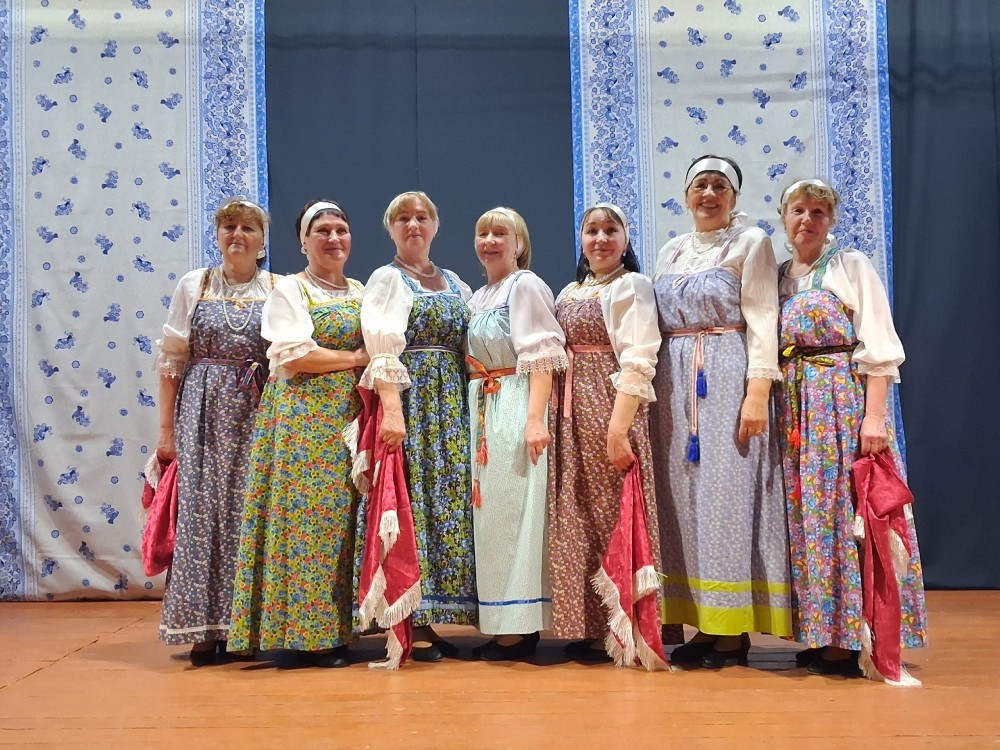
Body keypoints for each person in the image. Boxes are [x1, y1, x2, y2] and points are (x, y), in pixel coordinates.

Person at [774, 179, 928, 676]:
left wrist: (874, 418)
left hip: (839, 403)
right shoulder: (780, 277)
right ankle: (824, 631)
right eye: (799, 210)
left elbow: (879, 346)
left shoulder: (849, 266)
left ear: (831, 220)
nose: (807, 220)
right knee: (809, 518)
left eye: (818, 212)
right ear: (784, 218)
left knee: (844, 513)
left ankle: (851, 637)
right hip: (795, 409)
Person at [650, 155, 792, 669]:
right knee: (682, 501)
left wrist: (757, 392)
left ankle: (731, 632)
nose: (708, 194)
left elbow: (763, 316)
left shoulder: (751, 242)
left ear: (733, 197)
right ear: (686, 195)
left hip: (727, 374)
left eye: (719, 186)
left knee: (725, 497)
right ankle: (702, 623)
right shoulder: (671, 251)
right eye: (700, 186)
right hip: (674, 382)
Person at [227, 200, 368, 668]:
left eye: (340, 229)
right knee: (308, 522)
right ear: (304, 242)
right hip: (303, 418)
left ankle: (339, 627)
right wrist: (355, 358)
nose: (333, 238)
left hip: (348, 416)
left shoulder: (360, 290)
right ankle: (308, 634)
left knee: (343, 523)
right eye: (322, 230)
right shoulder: (292, 288)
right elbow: (295, 355)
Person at [154, 199, 278, 666]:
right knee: (202, 513)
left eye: (248, 227)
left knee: (249, 511)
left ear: (263, 241)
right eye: (229, 226)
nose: (238, 234)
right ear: (218, 235)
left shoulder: (279, 288)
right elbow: (172, 361)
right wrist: (165, 431)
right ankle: (202, 627)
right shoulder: (195, 284)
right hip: (203, 412)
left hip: (257, 409)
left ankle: (246, 625)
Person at [359, 191, 475, 661]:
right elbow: (381, 348)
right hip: (413, 402)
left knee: (444, 502)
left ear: (435, 226)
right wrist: (392, 408)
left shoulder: (455, 283)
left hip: (451, 405)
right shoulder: (388, 279)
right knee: (411, 501)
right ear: (390, 229)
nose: (413, 225)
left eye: (421, 217)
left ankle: (430, 613)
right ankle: (409, 618)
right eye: (403, 218)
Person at [547, 203, 661, 661]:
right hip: (571, 411)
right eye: (591, 230)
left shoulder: (631, 285)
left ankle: (625, 624)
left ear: (625, 240)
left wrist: (619, 426)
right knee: (580, 513)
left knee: (614, 508)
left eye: (610, 230)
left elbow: (639, 356)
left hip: (608, 402)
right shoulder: (571, 290)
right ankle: (592, 623)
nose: (600, 239)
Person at [465, 207, 566, 661]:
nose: (490, 240)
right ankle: (502, 621)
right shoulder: (478, 296)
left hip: (513, 401)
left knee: (514, 511)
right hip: (484, 405)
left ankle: (521, 625)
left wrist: (534, 419)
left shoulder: (524, 285)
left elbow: (542, 357)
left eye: (500, 233)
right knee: (491, 519)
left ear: (519, 243)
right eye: (483, 233)